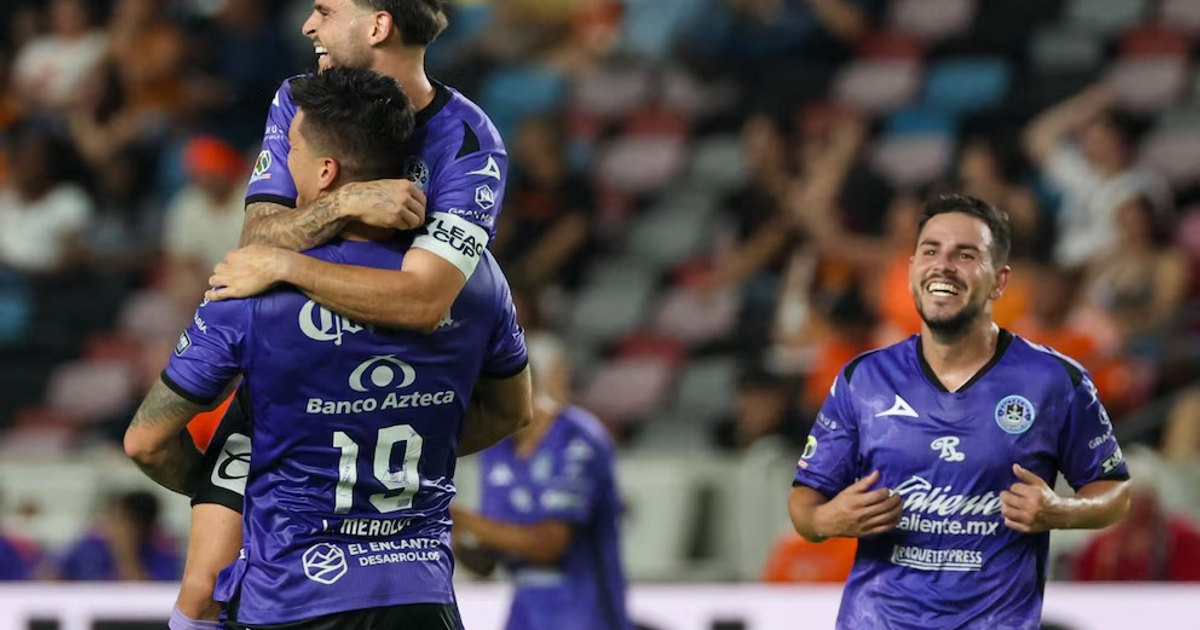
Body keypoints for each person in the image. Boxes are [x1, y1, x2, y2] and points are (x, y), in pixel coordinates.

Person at [123, 67, 532, 630]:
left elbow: (146, 441)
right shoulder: (477, 276)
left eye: (290, 149)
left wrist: (241, 485)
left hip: (293, 597)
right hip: (421, 599)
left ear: (325, 170)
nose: (282, 166)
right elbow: (513, 412)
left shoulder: (254, 289)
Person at [788, 194, 1132, 629]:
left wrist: (1060, 511)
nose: (943, 265)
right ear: (912, 268)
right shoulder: (865, 380)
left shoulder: (1054, 380)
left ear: (999, 281)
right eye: (931, 251)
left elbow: (1115, 492)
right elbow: (804, 501)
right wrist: (826, 519)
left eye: (965, 254)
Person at [452, 332, 633, 630]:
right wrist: (448, 535)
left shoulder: (578, 439)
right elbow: (488, 558)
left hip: (587, 617)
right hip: (525, 617)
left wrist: (462, 519)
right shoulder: (496, 450)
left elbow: (549, 545)